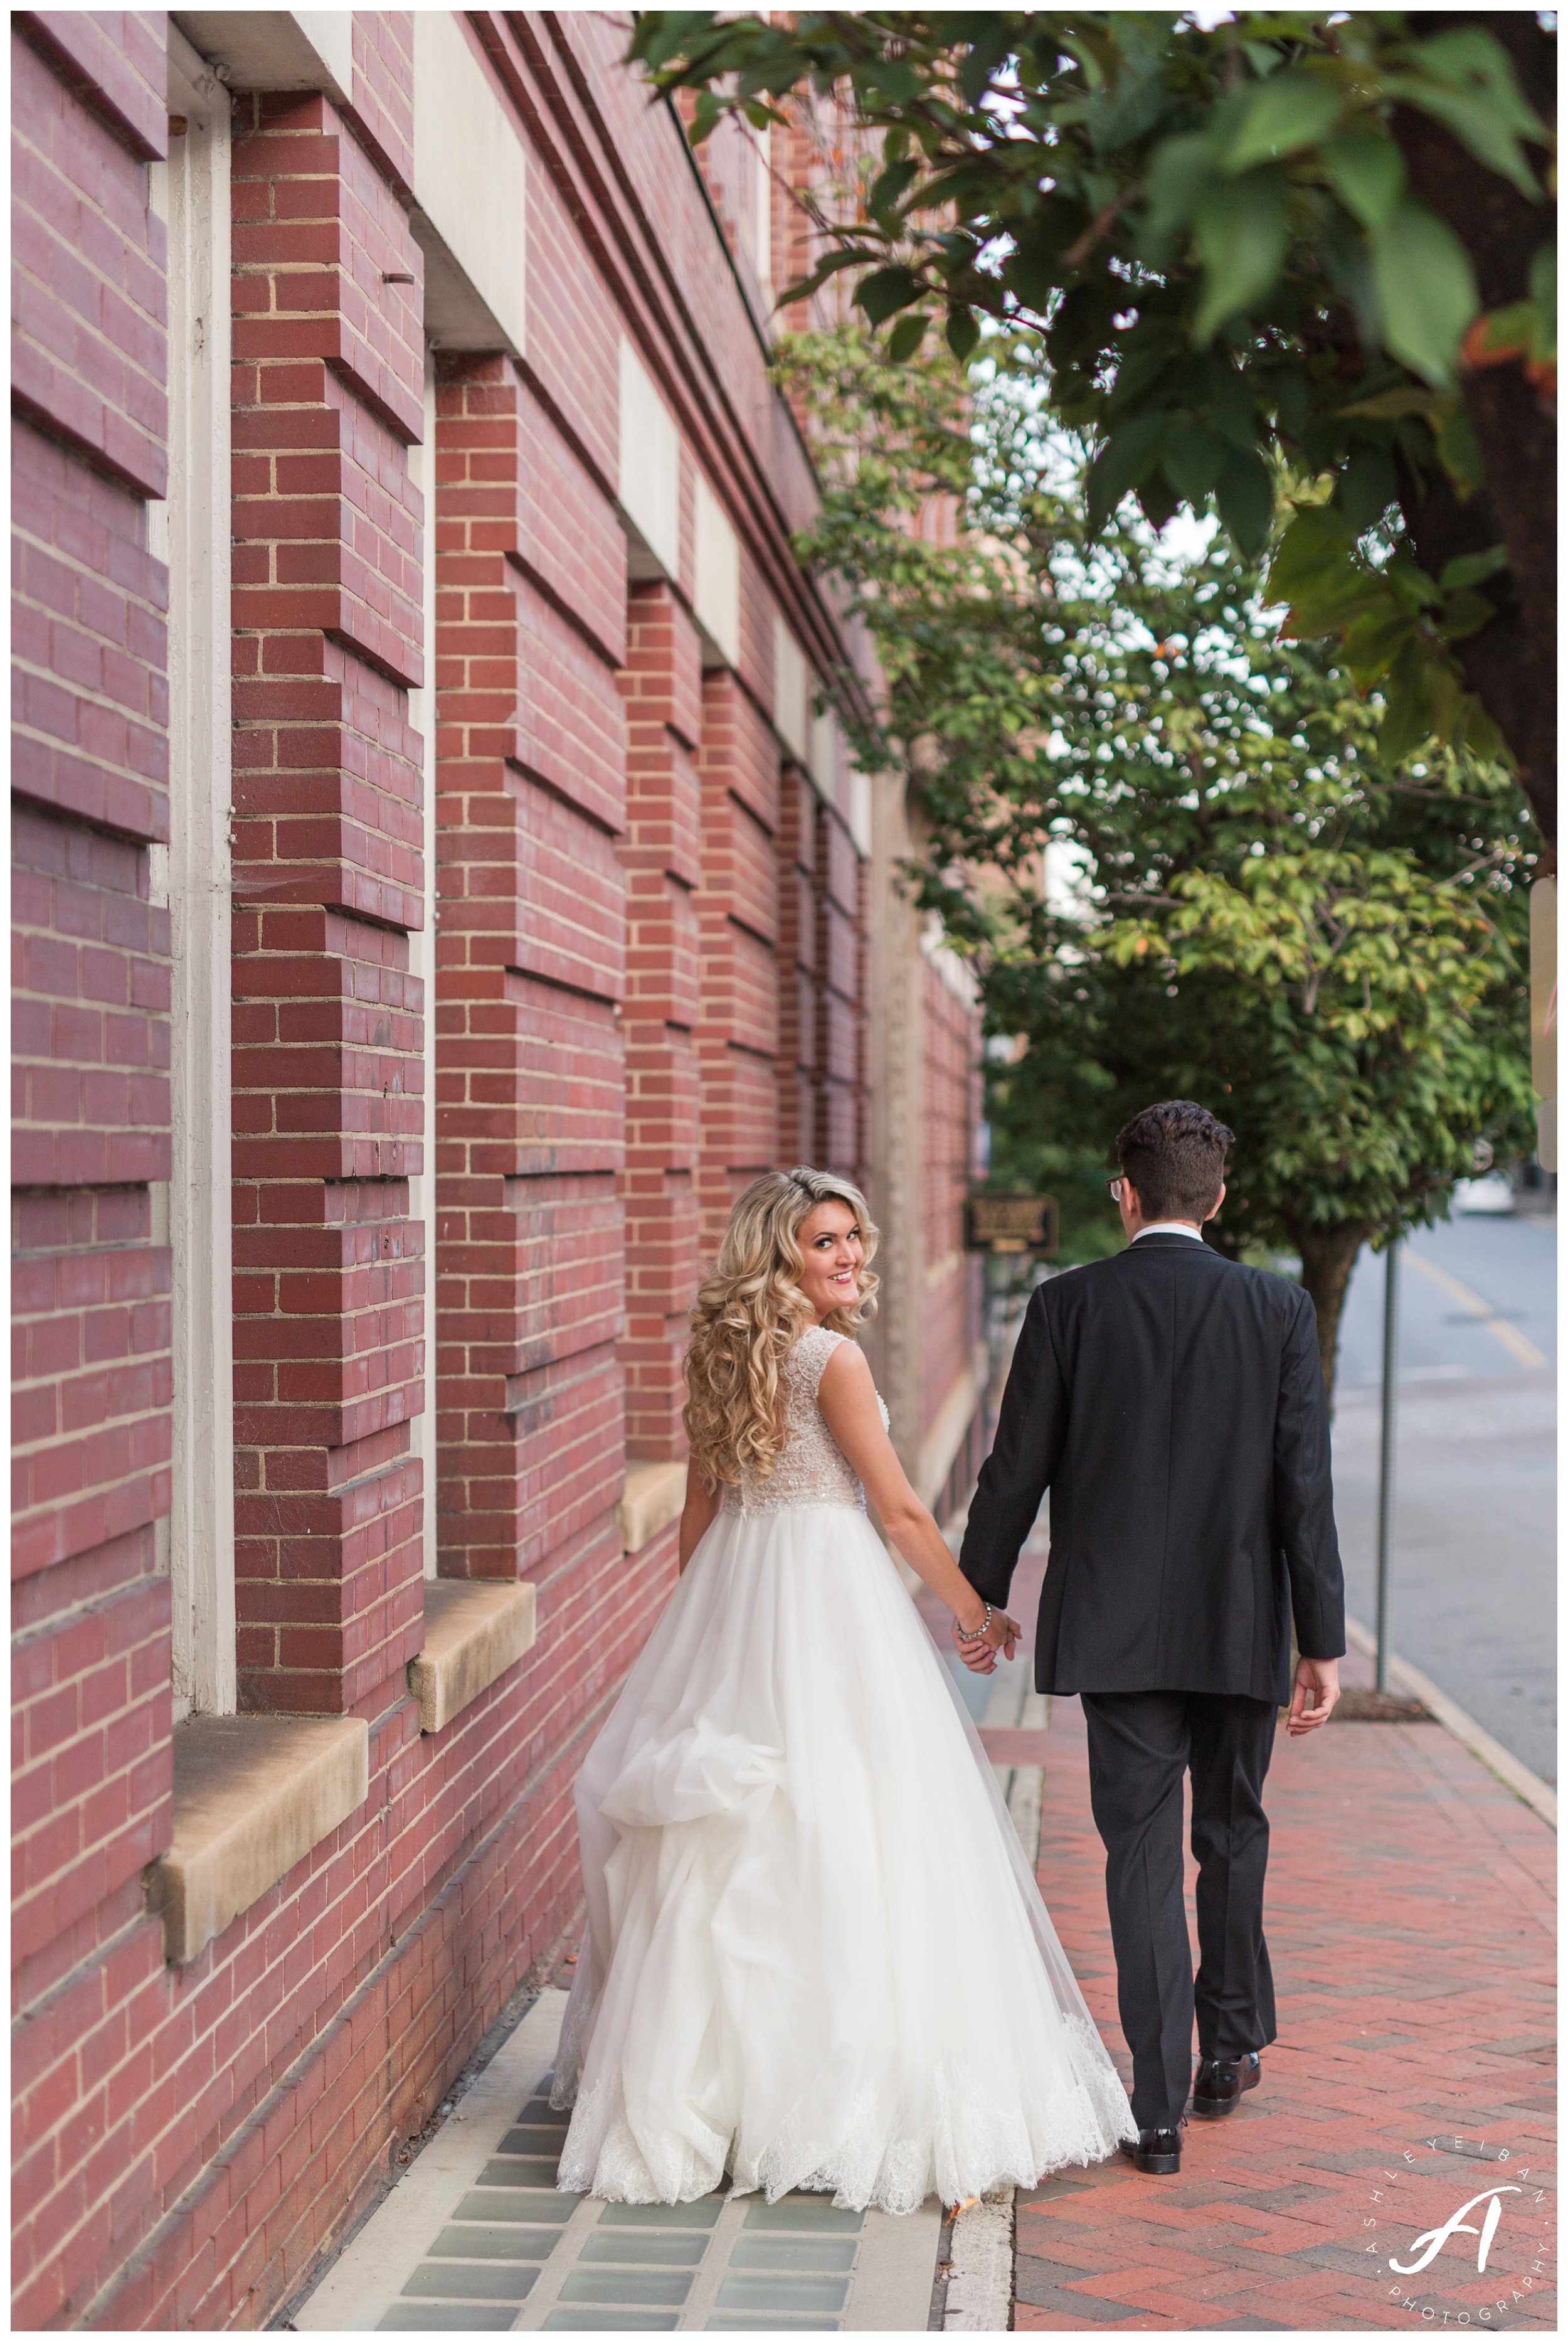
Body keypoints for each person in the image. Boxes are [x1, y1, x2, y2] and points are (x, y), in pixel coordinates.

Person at [551, 1167, 1135, 2213]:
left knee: (756, 1830)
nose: (851, 1257)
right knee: (851, 1818)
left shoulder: (726, 1346)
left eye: (855, 1239)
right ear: (780, 1251)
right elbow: (903, 1511)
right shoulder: (832, 1356)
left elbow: (700, 1513)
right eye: (826, 1242)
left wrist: (704, 1628)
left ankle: (720, 2089)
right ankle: (825, 2087)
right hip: (823, 1597)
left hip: (742, 1584)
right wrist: (974, 1613)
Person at [960, 1100, 1345, 2176]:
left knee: (1137, 1855)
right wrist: (1322, 1637)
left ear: (1123, 1192)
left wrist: (977, 1598)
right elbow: (1302, 1490)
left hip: (1117, 1631)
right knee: (1231, 1831)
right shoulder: (1277, 1309)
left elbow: (1013, 1470)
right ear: (1216, 1199)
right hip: (1239, 1622)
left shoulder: (1067, 1305)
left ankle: (1159, 2104)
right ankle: (1226, 2053)